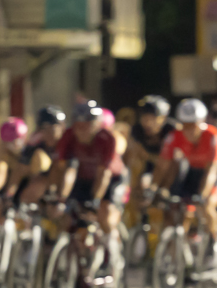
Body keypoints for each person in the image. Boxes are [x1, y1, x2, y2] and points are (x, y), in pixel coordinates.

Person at [151, 98, 217, 263]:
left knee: (207, 205)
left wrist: (202, 195)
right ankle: (181, 255)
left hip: (215, 172)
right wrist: (153, 187)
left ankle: (216, 244)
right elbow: (162, 165)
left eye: (194, 125)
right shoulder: (174, 136)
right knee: (180, 209)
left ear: (202, 122)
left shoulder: (213, 135)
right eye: (185, 125)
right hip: (193, 171)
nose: (190, 130)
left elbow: (212, 171)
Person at [50, 100, 126, 240]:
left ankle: (113, 249)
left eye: (86, 127)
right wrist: (58, 194)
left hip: (111, 179)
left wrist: (95, 201)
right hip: (84, 178)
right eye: (78, 126)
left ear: (96, 125)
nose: (81, 131)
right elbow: (62, 168)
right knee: (67, 218)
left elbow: (104, 174)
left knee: (104, 215)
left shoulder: (107, 139)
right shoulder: (69, 135)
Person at [125, 95, 175, 203]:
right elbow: (136, 156)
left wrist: (155, 186)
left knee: (175, 161)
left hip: (173, 170)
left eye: (152, 118)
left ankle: (164, 191)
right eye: (144, 118)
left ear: (163, 118)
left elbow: (171, 160)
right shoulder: (137, 131)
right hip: (150, 166)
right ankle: (140, 212)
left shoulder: (172, 130)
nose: (147, 123)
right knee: (141, 183)